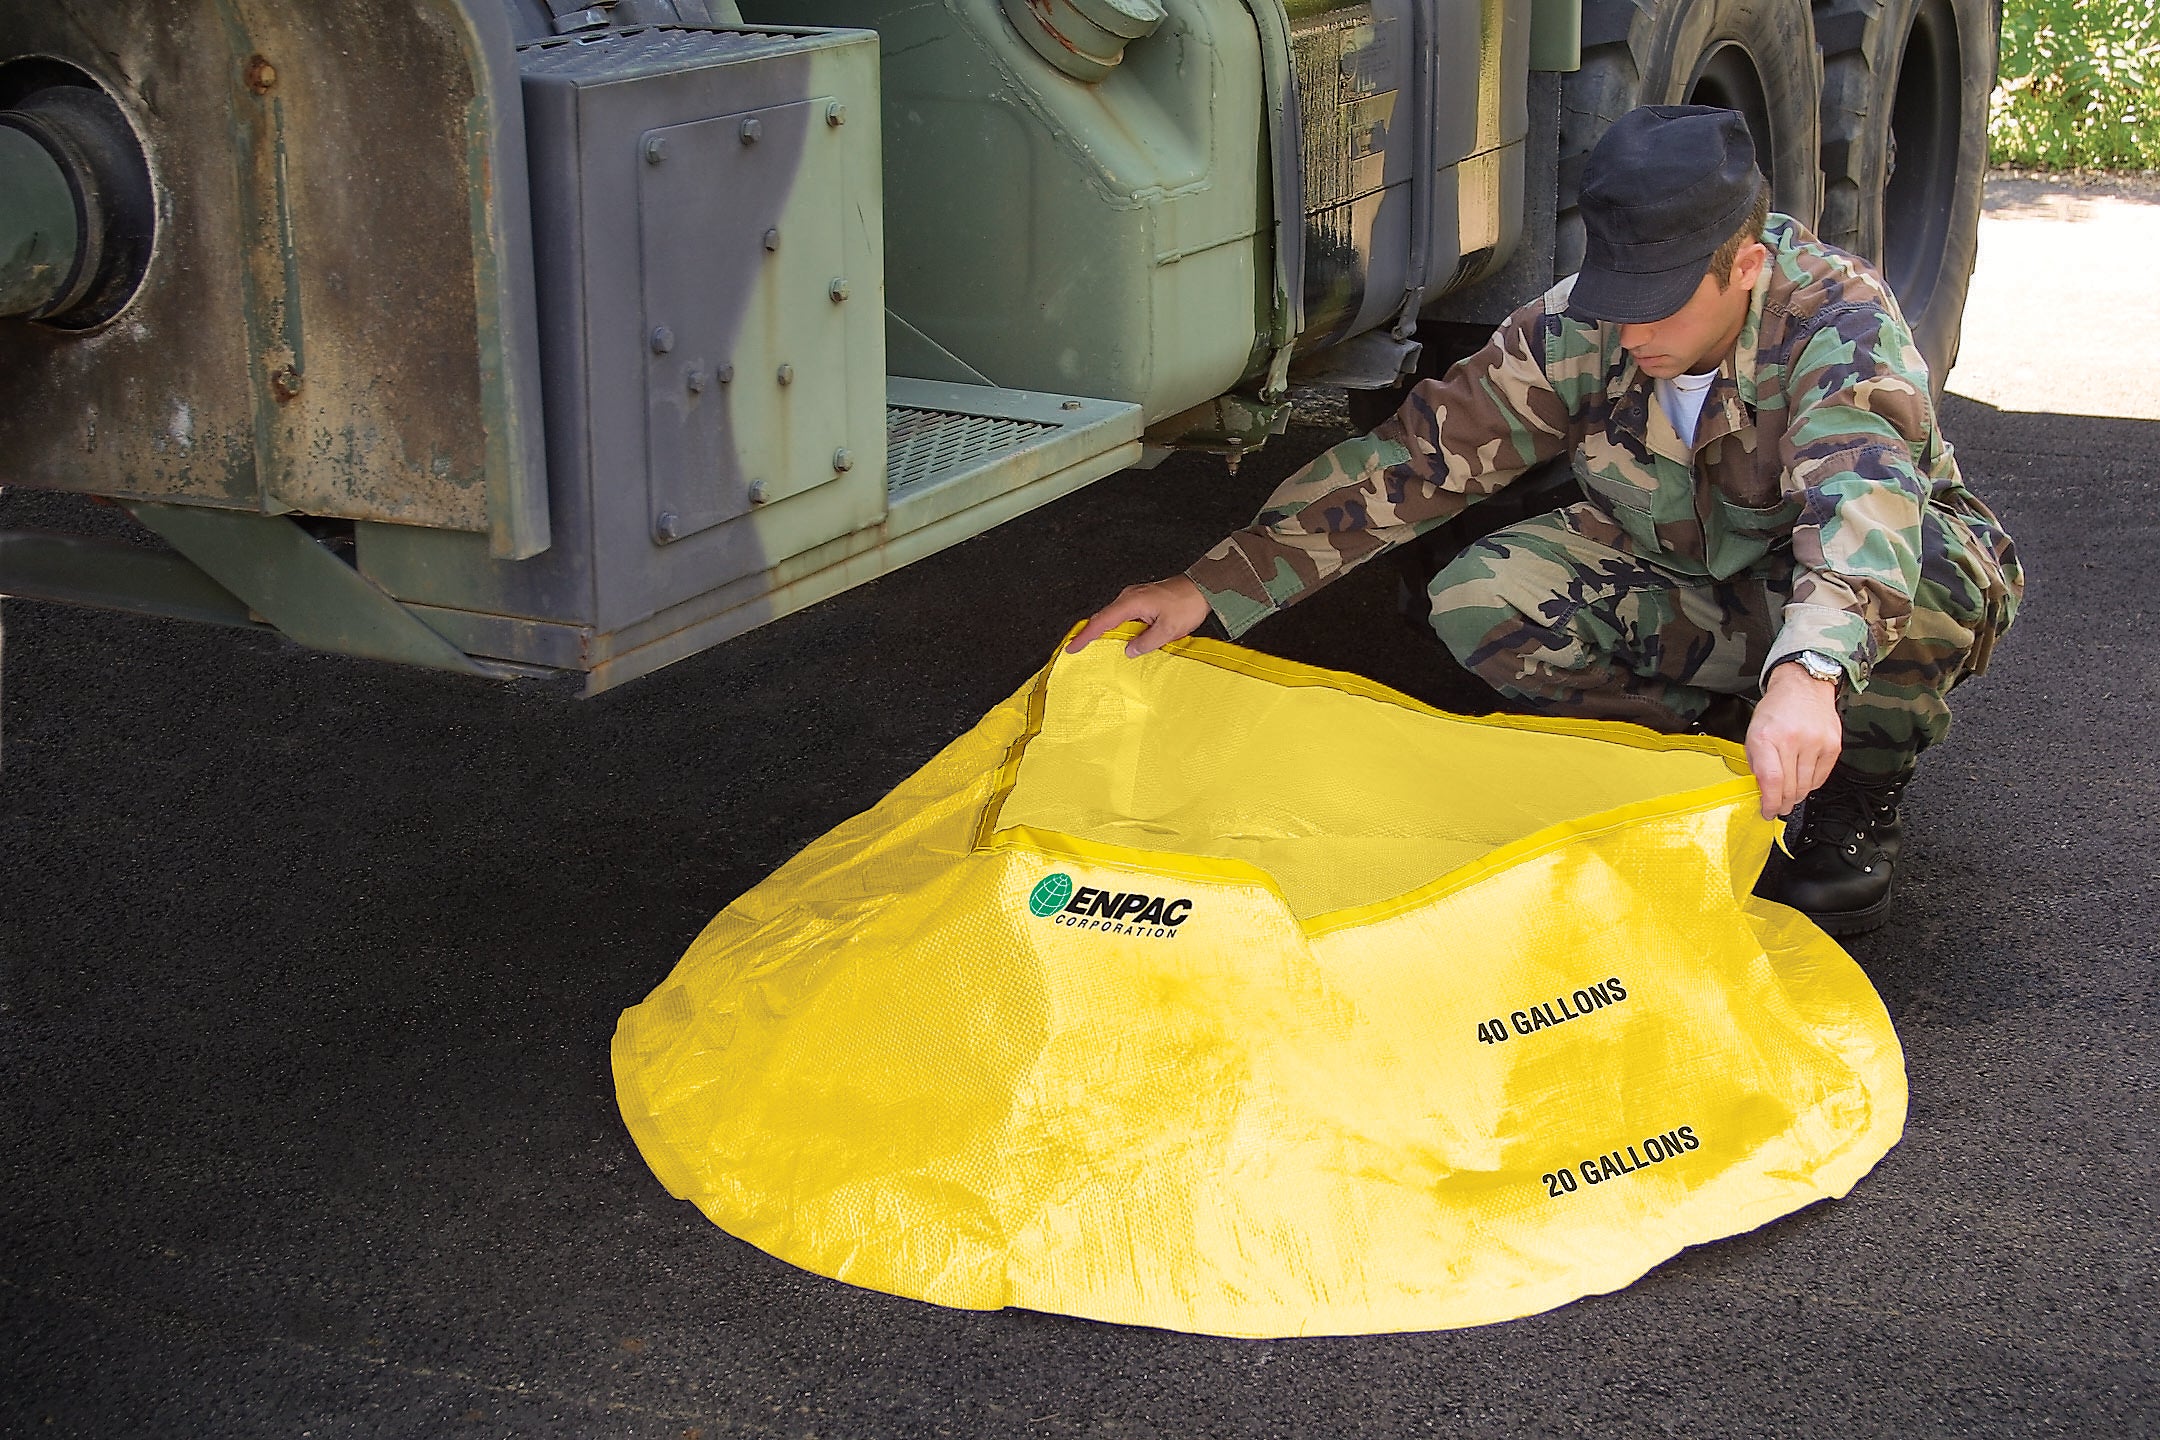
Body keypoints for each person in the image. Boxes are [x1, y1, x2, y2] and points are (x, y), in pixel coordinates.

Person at [1067, 104, 2023, 935]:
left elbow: (1867, 510)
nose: (1633, 333)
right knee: (1482, 595)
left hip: (1842, 588)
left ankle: (1856, 797)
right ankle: (1682, 775)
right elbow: (1418, 459)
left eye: (1658, 305)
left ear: (1747, 265)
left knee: (1930, 580)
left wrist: (1813, 671)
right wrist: (1209, 585)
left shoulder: (1840, 320)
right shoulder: (1585, 324)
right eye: (1619, 301)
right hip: (1683, 567)